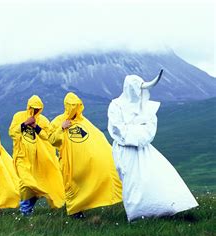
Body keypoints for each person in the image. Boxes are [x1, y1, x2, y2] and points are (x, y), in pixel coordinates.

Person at [107, 70, 198, 221]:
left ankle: (154, 211)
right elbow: (117, 129)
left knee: (151, 178)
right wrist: (137, 130)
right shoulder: (116, 106)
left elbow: (149, 130)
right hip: (124, 151)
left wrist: (133, 132)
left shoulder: (147, 109)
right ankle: (135, 215)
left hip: (143, 149)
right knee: (131, 182)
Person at [49, 92, 122, 217]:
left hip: (85, 164)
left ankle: (84, 207)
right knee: (73, 186)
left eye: (76, 106)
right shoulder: (58, 121)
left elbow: (97, 137)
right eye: (71, 106)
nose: (74, 109)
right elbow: (52, 140)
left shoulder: (83, 121)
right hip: (69, 163)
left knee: (88, 184)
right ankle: (75, 211)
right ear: (66, 106)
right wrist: (62, 128)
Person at [9, 95, 66, 215]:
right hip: (22, 156)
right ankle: (24, 210)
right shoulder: (18, 116)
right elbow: (12, 133)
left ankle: (26, 211)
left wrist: (36, 127)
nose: (34, 111)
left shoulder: (43, 120)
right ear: (28, 106)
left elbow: (47, 136)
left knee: (35, 184)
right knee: (26, 182)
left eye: (37, 109)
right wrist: (25, 124)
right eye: (32, 108)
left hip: (38, 159)